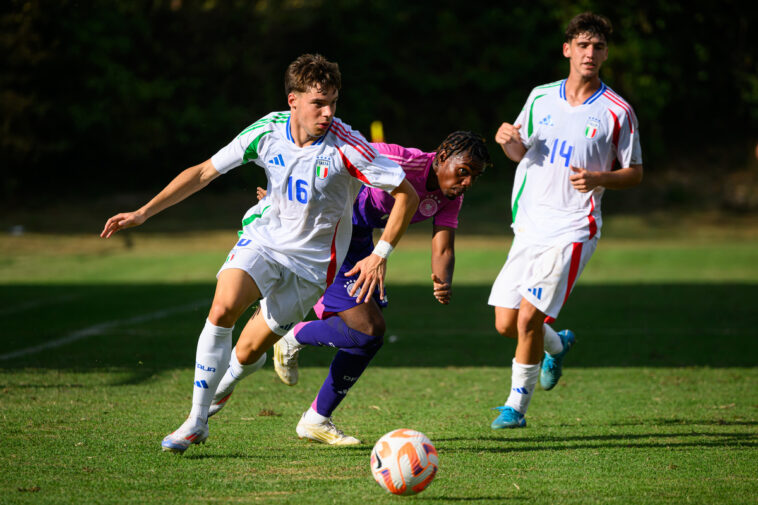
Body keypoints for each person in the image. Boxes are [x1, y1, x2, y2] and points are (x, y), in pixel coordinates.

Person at [100, 54, 419, 452]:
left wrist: (381, 253)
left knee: (248, 353)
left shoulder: (347, 146)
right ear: (293, 101)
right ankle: (196, 421)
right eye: (319, 103)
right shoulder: (267, 131)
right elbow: (203, 172)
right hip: (264, 241)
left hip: (312, 267)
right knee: (222, 309)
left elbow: (406, 193)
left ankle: (226, 383)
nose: (328, 112)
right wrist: (144, 212)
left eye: (333, 102)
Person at [208, 131, 492, 444]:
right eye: (463, 172)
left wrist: (443, 280)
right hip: (324, 235)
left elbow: (443, 248)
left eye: (474, 177)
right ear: (441, 157)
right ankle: (293, 338)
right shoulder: (398, 159)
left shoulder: (450, 197)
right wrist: (285, 197)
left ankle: (315, 418)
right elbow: (330, 160)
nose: (466, 182)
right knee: (369, 329)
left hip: (359, 243)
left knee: (367, 338)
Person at [488, 12, 643, 429]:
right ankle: (557, 347)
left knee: (528, 319)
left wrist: (598, 178)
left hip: (574, 226)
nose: (589, 53)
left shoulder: (617, 111)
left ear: (605, 54)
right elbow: (522, 152)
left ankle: (515, 409)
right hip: (529, 224)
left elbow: (635, 172)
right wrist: (509, 142)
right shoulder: (540, 97)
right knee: (506, 322)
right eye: (582, 45)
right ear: (567, 49)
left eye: (597, 47)